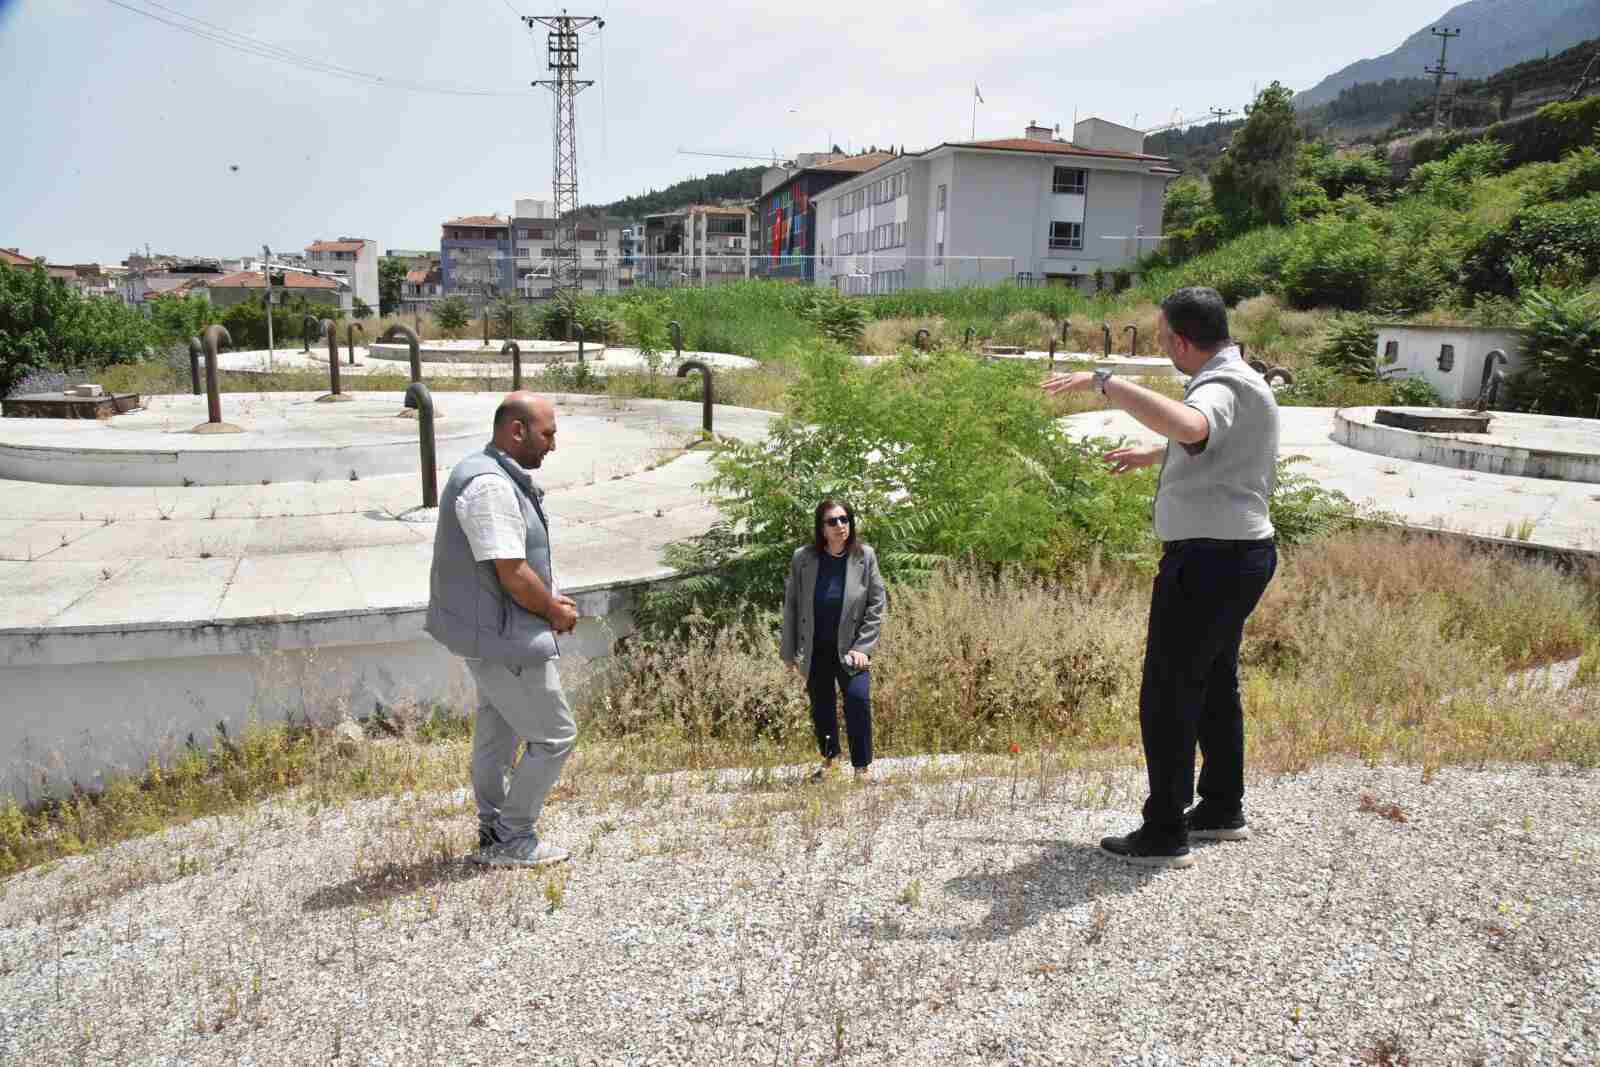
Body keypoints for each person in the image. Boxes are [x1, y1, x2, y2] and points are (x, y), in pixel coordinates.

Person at [1042, 286, 1279, 869]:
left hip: (1208, 561)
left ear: (1179, 339)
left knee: (1169, 691)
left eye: (1160, 338)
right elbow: (1219, 445)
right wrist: (1153, 455)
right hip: (1241, 553)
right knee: (1214, 680)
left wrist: (1107, 383)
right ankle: (1222, 806)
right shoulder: (1241, 376)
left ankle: (1165, 829)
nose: (1161, 347)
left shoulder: (1222, 384)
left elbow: (1196, 427)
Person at [425, 391, 580, 868]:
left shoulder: (486, 472)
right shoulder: (491, 486)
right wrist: (553, 610)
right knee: (555, 736)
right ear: (517, 431)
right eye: (547, 434)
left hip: (490, 636)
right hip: (507, 638)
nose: (552, 445)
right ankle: (513, 837)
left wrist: (549, 598)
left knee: (498, 733)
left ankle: (494, 826)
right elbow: (510, 572)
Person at [780, 500, 888, 782]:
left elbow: (877, 604)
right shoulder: (803, 558)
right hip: (816, 647)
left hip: (851, 648)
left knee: (857, 699)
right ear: (822, 528)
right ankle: (831, 762)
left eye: (844, 519)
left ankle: (862, 767)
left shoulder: (865, 556)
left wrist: (863, 647)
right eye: (832, 521)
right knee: (821, 706)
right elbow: (791, 605)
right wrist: (789, 652)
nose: (840, 525)